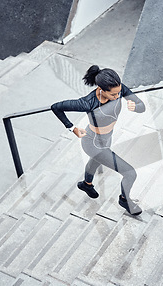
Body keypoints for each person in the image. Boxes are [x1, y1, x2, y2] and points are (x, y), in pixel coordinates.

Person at [51, 66, 145, 215]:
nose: (117, 96)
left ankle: (86, 184)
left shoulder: (119, 89)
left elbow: (141, 106)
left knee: (96, 160)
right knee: (130, 173)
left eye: (118, 92)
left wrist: (136, 107)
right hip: (93, 142)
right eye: (113, 94)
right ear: (102, 89)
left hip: (106, 138)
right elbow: (56, 107)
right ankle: (124, 200)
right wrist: (73, 128)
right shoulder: (88, 103)